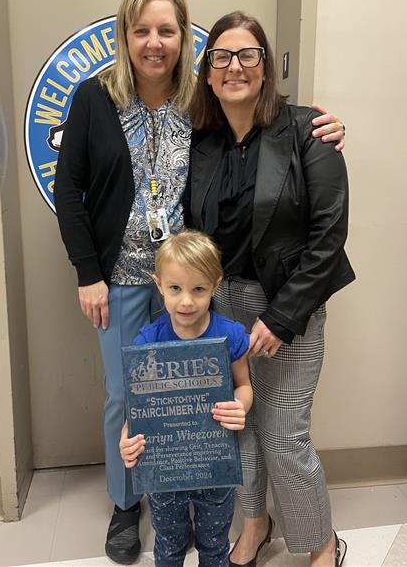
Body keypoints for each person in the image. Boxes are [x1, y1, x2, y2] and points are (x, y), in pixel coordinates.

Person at [53, 0, 346, 565]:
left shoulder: (203, 103)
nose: (155, 41)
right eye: (142, 30)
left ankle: (205, 501)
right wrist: (87, 271)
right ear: (125, 35)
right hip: (128, 277)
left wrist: (327, 128)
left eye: (167, 30)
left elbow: (287, 175)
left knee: (210, 396)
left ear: (186, 41)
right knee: (128, 393)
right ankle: (128, 502)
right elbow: (71, 190)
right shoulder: (94, 98)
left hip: (199, 285)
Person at [185, 12, 355, 567]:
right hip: (224, 309)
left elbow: (329, 235)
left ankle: (324, 544)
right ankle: (255, 524)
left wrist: (282, 319)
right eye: (222, 56)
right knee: (241, 427)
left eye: (248, 54)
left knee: (283, 435)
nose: (235, 66)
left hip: (288, 306)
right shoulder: (202, 144)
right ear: (208, 72)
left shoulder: (309, 130)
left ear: (265, 67)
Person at [120, 230, 252, 567]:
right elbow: (139, 408)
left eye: (198, 289)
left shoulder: (231, 335)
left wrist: (241, 406)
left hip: (214, 461)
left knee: (214, 546)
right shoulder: (147, 341)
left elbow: (244, 385)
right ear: (159, 284)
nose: (186, 301)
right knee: (169, 545)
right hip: (164, 469)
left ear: (215, 285)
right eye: (175, 288)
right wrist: (127, 439)